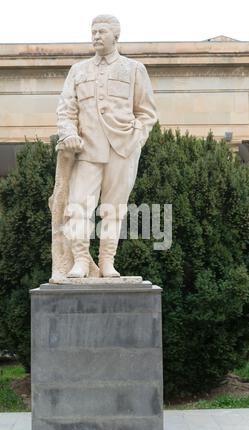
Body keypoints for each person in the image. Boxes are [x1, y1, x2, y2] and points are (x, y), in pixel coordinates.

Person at [54, 14, 157, 278]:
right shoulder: (78, 70)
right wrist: (67, 134)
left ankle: (107, 261)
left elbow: (146, 113)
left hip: (122, 149)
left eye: (101, 31)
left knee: (114, 208)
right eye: (93, 31)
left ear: (116, 36)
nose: (96, 36)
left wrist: (136, 139)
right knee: (78, 205)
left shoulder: (134, 69)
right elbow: (66, 110)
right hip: (87, 150)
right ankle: (80, 261)